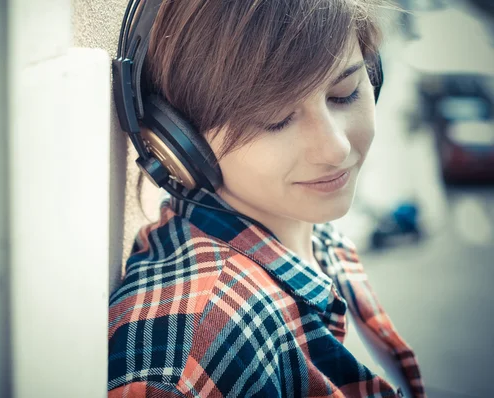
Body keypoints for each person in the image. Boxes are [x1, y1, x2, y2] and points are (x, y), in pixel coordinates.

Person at [108, 0, 426, 397]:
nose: (335, 147)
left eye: (344, 94)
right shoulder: (194, 351)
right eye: (275, 119)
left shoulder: (320, 242)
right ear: (179, 140)